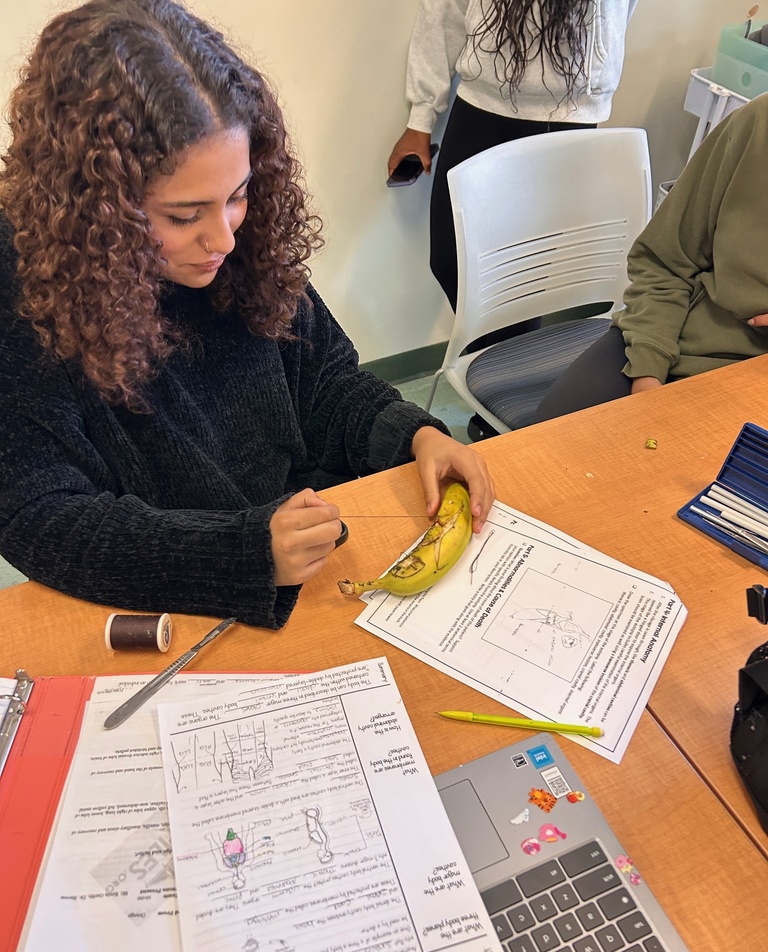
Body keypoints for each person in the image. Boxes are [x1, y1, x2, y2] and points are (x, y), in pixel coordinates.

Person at [0, 0, 494, 631]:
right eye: (184, 216)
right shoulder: (24, 288)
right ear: (97, 207)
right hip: (170, 599)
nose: (224, 239)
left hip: (306, 552)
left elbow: (323, 386)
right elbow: (40, 518)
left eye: (236, 196)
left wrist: (415, 435)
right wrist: (240, 552)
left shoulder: (243, 241)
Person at [527, 91, 768, 424]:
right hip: (677, 339)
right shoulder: (757, 124)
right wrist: (648, 371)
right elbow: (664, 262)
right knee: (545, 448)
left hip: (750, 385)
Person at [387, 0, 639, 312]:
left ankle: (503, 358)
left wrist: (594, 64)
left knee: (522, 281)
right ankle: (493, 355)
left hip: (567, 115)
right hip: (481, 101)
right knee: (449, 260)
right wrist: (421, 118)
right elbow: (446, 8)